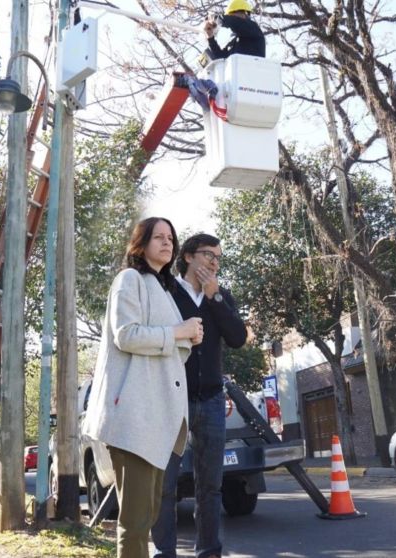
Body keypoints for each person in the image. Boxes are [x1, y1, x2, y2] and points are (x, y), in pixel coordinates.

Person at [83, 217, 204, 558]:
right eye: (158, 237)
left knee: (147, 515)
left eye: (170, 238)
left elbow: (163, 348)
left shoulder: (161, 287)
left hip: (156, 417)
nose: (167, 243)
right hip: (134, 416)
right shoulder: (130, 279)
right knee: (135, 521)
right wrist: (179, 332)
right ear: (141, 243)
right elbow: (127, 335)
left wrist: (187, 338)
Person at [151, 233, 247, 558]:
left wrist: (215, 297)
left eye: (218, 258)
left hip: (211, 401)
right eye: (209, 255)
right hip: (171, 402)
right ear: (189, 256)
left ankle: (209, 552)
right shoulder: (165, 292)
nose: (214, 263)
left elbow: (237, 337)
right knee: (164, 484)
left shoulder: (220, 296)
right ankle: (164, 552)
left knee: (210, 486)